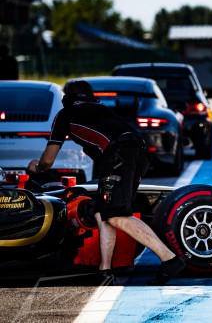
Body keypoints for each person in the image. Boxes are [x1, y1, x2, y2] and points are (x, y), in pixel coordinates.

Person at [27, 80, 185, 285]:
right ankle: (105, 271)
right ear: (91, 96)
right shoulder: (101, 108)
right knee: (105, 212)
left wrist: (36, 167)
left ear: (66, 99)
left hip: (117, 155)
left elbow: (48, 161)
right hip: (138, 149)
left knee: (117, 215)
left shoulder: (65, 114)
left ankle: (170, 259)